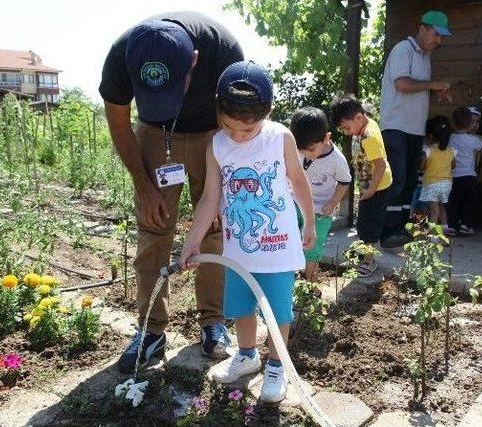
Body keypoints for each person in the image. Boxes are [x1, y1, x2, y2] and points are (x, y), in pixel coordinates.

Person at [99, 12, 244, 373]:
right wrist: (143, 184)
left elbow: (241, 124)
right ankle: (151, 331)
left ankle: (213, 322)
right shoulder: (121, 55)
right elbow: (119, 123)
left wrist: (225, 185)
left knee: (214, 229)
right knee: (152, 230)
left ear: (193, 60)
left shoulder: (223, 51)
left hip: (214, 134)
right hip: (154, 136)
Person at [179, 61, 315, 403]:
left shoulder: (280, 136)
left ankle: (276, 366)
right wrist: (192, 240)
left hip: (278, 247)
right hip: (238, 249)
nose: (240, 135)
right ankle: (246, 355)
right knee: (240, 306)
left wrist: (310, 221)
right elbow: (211, 197)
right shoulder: (216, 145)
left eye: (249, 129)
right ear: (219, 112)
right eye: (232, 127)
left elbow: (298, 181)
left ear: (267, 112)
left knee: (278, 311)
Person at [379, 10, 453, 247]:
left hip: (414, 129)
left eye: (442, 37)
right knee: (397, 180)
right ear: (422, 28)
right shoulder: (403, 49)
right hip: (396, 127)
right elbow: (401, 84)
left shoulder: (425, 56)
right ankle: (387, 232)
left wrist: (434, 91)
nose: (438, 40)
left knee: (409, 182)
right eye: (436, 34)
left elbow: (415, 87)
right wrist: (432, 84)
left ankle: (400, 229)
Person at [331, 94, 393, 277]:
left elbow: (380, 165)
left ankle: (369, 260)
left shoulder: (369, 136)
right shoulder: (362, 126)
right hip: (371, 186)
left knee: (368, 226)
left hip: (377, 187)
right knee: (365, 223)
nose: (345, 132)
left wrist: (371, 190)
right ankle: (366, 252)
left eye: (346, 127)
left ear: (358, 117)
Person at [290, 107, 351, 282]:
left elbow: (344, 181)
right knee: (292, 241)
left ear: (326, 138)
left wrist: (332, 203)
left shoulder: (337, 160)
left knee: (312, 249)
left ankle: (312, 287)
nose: (306, 156)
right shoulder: (300, 150)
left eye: (311, 150)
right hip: (296, 204)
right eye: (301, 151)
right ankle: (293, 280)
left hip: (320, 212)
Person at [446, 107, 482, 235]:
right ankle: (466, 225)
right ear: (469, 124)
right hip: (468, 176)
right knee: (469, 201)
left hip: (452, 176)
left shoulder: (449, 138)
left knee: (453, 201)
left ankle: (451, 225)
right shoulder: (475, 140)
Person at [419, 116, 456, 232]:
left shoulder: (428, 151)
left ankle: (433, 236)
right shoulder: (451, 151)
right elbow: (453, 165)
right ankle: (445, 228)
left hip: (432, 184)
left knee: (434, 210)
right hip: (447, 184)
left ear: (430, 135)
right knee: (442, 206)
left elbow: (421, 167)